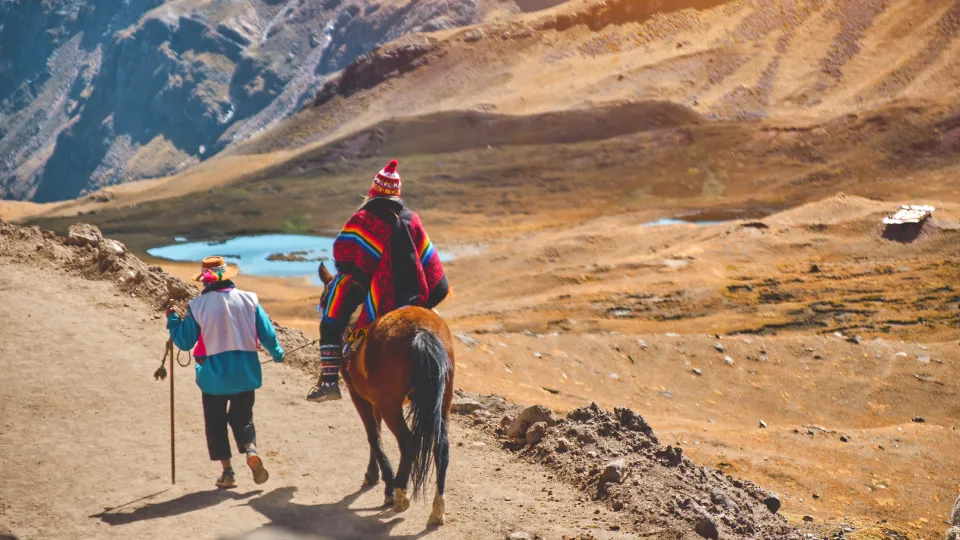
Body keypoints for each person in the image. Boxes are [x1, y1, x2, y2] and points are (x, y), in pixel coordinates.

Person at [308, 159, 449, 402]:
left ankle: (329, 380)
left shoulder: (363, 218)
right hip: (415, 297)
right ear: (397, 193)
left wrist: (360, 275)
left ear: (374, 190)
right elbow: (430, 263)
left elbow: (343, 258)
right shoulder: (412, 219)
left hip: (378, 298)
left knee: (331, 321)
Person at [167, 256, 285, 488]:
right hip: (246, 373)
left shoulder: (198, 306)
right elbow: (268, 335)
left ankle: (228, 473)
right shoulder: (249, 300)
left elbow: (184, 341)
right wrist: (278, 354)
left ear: (205, 281)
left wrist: (172, 319)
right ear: (227, 277)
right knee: (243, 418)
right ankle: (250, 450)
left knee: (215, 422)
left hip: (213, 377)